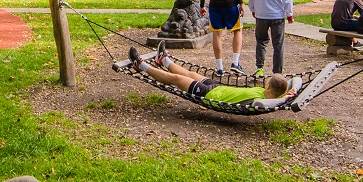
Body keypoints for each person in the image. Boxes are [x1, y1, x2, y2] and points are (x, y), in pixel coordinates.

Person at [126, 44, 301, 109]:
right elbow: (295, 82)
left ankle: (141, 65)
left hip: (212, 96)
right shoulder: (273, 95)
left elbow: (263, 104)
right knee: (192, 73)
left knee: (178, 80)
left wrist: (283, 99)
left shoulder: (264, 102)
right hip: (219, 88)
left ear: (268, 86)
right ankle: (164, 60)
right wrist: (289, 93)